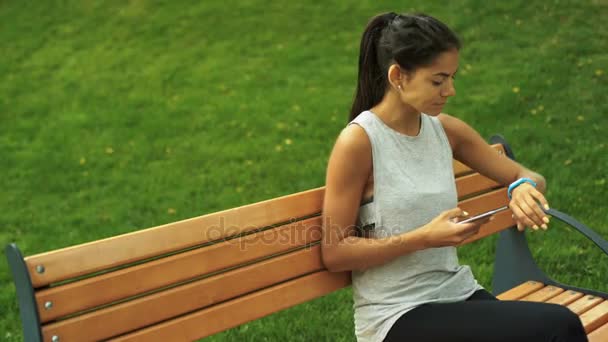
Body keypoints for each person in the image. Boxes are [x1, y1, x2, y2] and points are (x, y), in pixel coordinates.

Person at [320, 12, 588, 342]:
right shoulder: (360, 142)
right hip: (396, 314)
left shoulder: (445, 130)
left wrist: (522, 188)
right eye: (438, 80)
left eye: (452, 77)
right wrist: (424, 237)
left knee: (553, 329)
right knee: (558, 326)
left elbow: (528, 175)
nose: (451, 90)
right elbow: (334, 252)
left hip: (456, 292)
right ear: (398, 76)